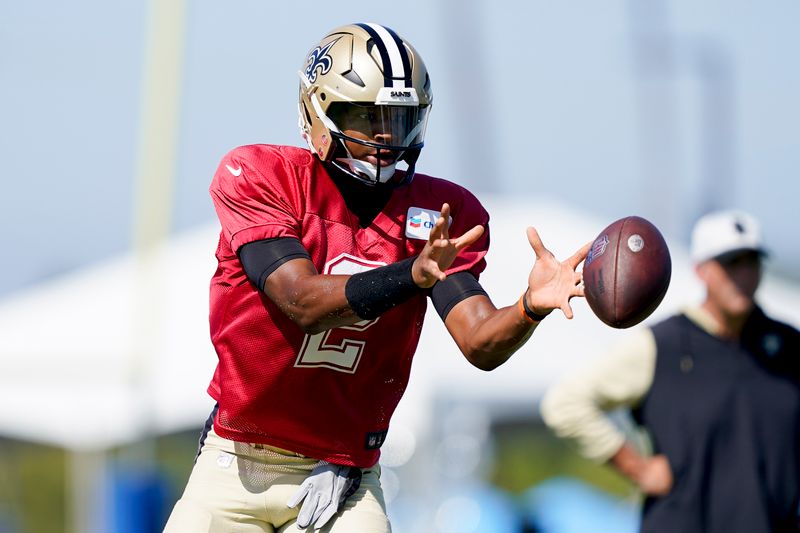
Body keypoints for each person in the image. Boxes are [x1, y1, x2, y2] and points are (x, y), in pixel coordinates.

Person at [164, 22, 590, 533]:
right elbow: (299, 301)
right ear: (319, 113)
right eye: (367, 117)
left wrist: (528, 307)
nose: (386, 137)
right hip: (237, 464)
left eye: (399, 118)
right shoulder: (262, 176)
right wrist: (412, 273)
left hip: (343, 471)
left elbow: (479, 342)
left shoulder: (437, 214)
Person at [540, 209, 800, 533]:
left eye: (751, 262)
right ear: (702, 271)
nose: (743, 274)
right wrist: (638, 467)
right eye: (731, 263)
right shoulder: (664, 345)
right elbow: (565, 403)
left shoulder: (789, 345)